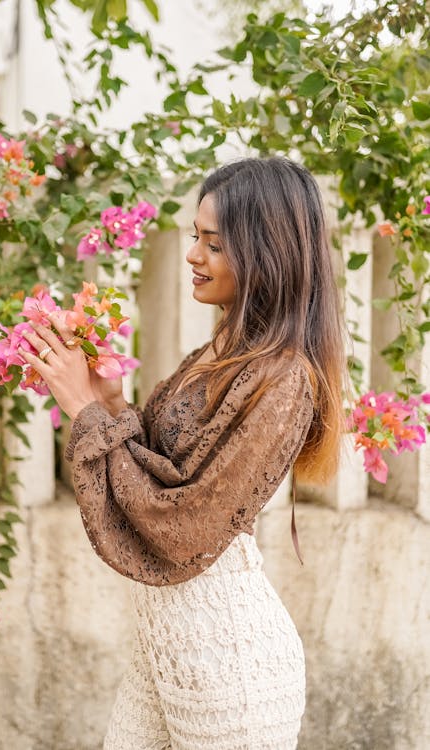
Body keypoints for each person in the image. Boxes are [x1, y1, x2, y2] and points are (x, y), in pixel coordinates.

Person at [20, 156, 348, 749]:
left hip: (231, 671)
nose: (193, 255)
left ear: (266, 253)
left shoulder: (285, 378)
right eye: (196, 236)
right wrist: (113, 406)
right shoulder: (220, 355)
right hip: (165, 659)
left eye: (214, 243)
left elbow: (184, 524)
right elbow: (160, 477)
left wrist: (85, 413)